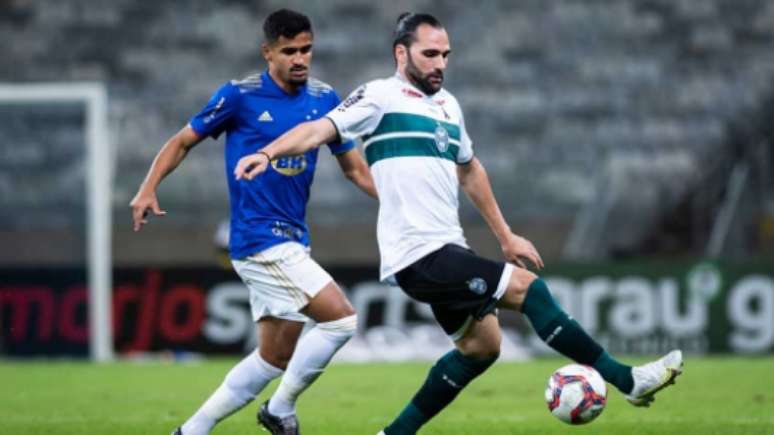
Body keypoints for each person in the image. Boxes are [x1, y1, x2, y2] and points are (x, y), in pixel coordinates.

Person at [233, 12, 683, 435]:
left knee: (482, 347)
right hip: (417, 254)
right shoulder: (377, 96)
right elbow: (318, 130)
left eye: (445, 54)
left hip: (448, 248)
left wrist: (505, 236)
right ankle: (627, 380)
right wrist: (268, 152)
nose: (440, 63)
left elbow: (470, 169)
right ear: (401, 53)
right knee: (530, 290)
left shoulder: (448, 105)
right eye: (430, 54)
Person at [130, 9, 376, 435]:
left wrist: (397, 200)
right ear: (268, 52)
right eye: (289, 51)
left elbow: (355, 169)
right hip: (259, 239)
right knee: (341, 320)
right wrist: (148, 187)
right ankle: (279, 411)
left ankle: (190, 431)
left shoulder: (324, 98)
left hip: (294, 240)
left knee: (273, 358)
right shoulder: (239, 96)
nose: (300, 58)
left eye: (306, 49)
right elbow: (182, 140)